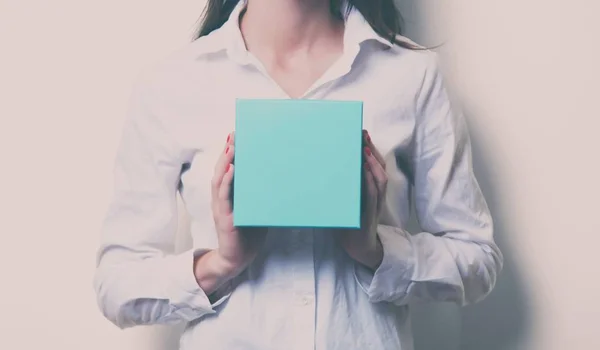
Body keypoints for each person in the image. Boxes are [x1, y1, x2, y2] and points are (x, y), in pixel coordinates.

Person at [93, 0, 503, 349]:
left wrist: (376, 252)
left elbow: (478, 258)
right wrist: (221, 262)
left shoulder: (411, 75)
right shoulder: (174, 83)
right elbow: (117, 284)